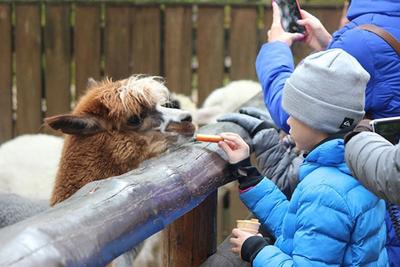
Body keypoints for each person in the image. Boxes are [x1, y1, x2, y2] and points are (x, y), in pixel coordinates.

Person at [218, 48, 387, 266]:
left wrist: (256, 250)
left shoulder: (325, 191)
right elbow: (301, 228)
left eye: (293, 114)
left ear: (317, 121)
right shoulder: (353, 166)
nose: (287, 122)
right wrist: (247, 174)